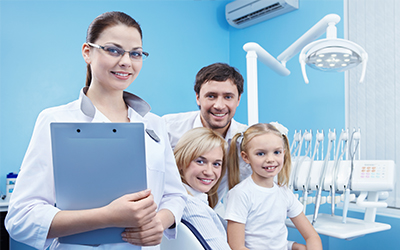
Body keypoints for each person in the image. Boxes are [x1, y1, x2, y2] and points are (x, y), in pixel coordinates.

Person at [5, 11, 187, 250]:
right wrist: (107, 216)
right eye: (113, 50)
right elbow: (21, 218)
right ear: (87, 52)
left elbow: (175, 196)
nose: (126, 61)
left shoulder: (153, 124)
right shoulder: (55, 119)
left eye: (136, 53)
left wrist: (160, 222)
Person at [162, 63, 251, 204]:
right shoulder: (168, 129)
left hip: (209, 212)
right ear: (198, 97)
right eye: (211, 96)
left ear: (238, 99)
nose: (219, 106)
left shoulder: (246, 142)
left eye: (228, 97)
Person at [224, 123, 322, 250]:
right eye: (260, 153)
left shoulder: (284, 193)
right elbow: (236, 246)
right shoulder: (241, 194)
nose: (270, 159)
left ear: (284, 153)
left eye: (276, 152)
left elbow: (312, 237)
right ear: (246, 157)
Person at [174, 127, 231, 249]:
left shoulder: (189, 199)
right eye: (200, 161)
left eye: (216, 164)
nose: (209, 172)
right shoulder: (191, 206)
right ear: (180, 162)